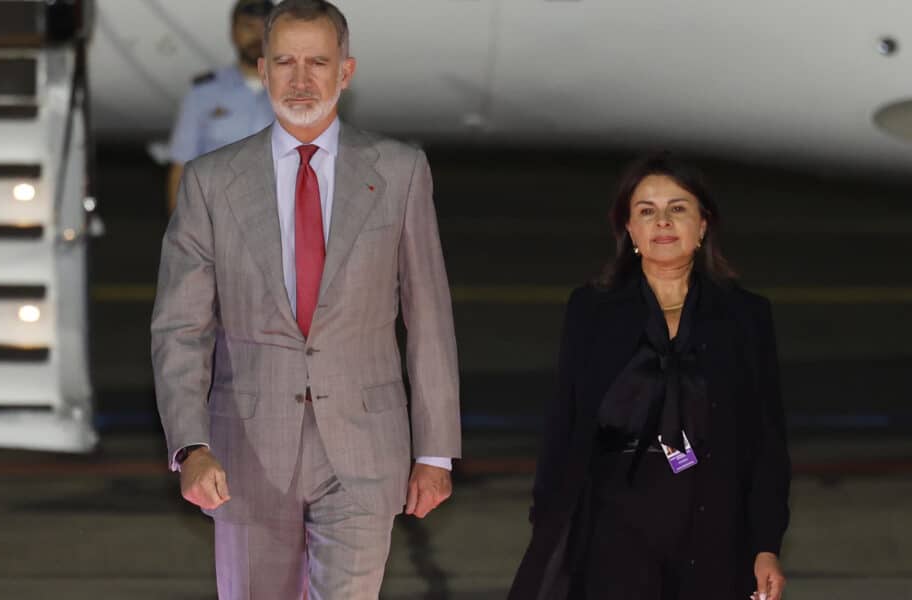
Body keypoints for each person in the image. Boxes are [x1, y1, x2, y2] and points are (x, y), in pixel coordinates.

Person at [151, 1, 461, 598]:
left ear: (345, 72)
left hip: (366, 451)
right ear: (262, 71)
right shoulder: (211, 181)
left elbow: (429, 317)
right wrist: (191, 445)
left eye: (317, 62)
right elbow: (180, 328)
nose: (300, 80)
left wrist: (437, 451)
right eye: (285, 62)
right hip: (244, 450)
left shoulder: (399, 171)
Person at [508, 153, 790, 600]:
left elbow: (767, 442)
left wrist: (765, 545)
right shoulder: (592, 310)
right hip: (613, 529)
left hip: (714, 528)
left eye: (678, 208)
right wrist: (548, 529)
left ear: (703, 226)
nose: (662, 222)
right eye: (646, 211)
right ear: (630, 230)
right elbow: (564, 425)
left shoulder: (745, 315)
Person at [166, 0, 277, 213]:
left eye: (265, 28)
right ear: (233, 32)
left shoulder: (295, 93)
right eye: (248, 27)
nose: (257, 36)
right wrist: (178, 236)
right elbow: (180, 170)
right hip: (215, 225)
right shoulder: (203, 94)